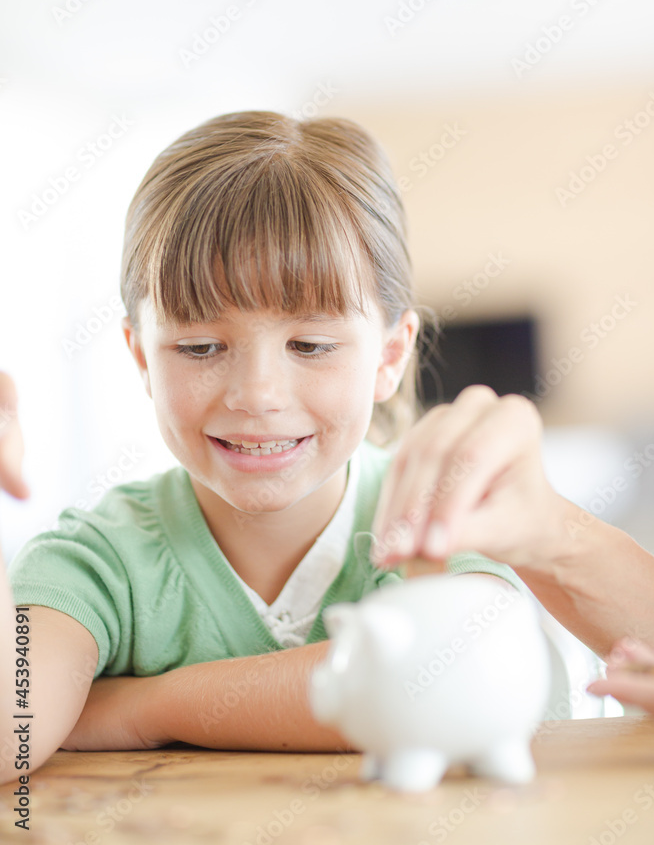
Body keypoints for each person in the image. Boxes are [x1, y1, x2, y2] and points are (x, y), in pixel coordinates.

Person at [0, 111, 522, 784]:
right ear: (141, 358)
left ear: (389, 356)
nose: (257, 394)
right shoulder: (99, 561)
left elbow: (449, 682)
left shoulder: (447, 513)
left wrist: (143, 708)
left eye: (309, 344)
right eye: (199, 347)